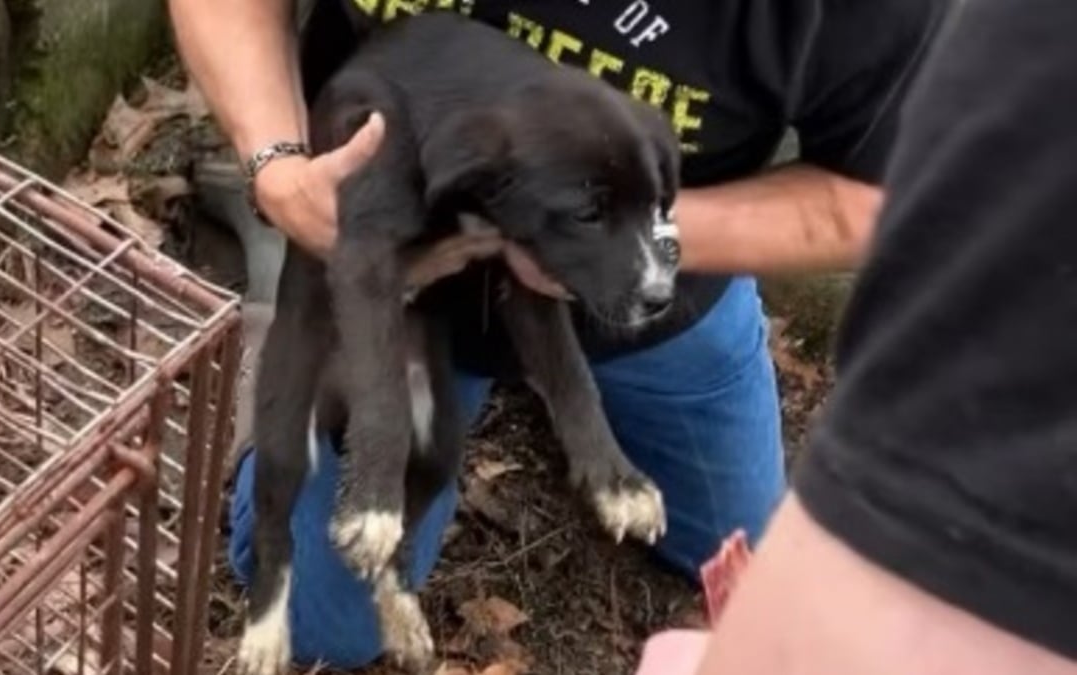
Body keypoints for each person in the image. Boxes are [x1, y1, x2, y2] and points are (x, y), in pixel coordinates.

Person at [167, 0, 952, 668]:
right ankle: (286, 294)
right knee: (327, 626)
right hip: (392, 268)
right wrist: (276, 159)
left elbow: (867, 200)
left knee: (743, 553)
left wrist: (634, 237)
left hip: (657, 287)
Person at [638, 0, 1077, 672]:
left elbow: (861, 203)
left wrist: (638, 244)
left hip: (679, 295)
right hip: (446, 284)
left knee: (743, 538)